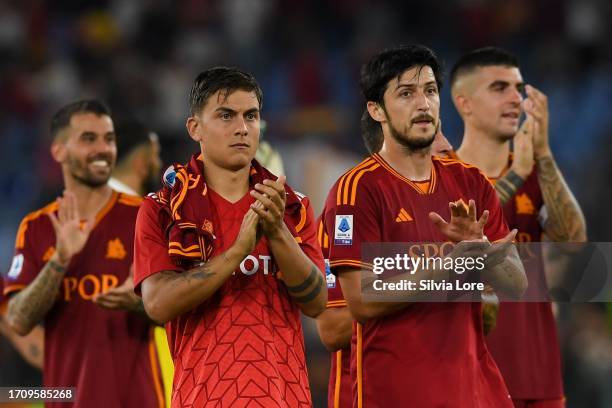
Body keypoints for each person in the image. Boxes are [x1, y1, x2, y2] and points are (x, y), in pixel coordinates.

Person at [321, 44, 527, 407]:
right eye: (406, 93)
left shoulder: (471, 182)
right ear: (376, 110)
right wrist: (451, 265)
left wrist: (482, 253)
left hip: (476, 394)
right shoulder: (355, 191)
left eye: (430, 91)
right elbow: (361, 303)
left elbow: (517, 284)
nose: (423, 103)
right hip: (397, 394)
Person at [133, 67, 327, 407]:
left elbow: (317, 302)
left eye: (250, 116)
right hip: (201, 399)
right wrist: (237, 252)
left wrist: (278, 231)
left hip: (285, 399)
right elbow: (158, 304)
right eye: (226, 115)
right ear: (195, 128)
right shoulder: (162, 209)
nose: (242, 128)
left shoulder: (292, 206)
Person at [3, 100, 165, 408]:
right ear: (58, 151)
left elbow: (180, 313)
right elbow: (18, 320)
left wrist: (141, 304)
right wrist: (59, 260)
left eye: (109, 138)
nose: (103, 149)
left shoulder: (147, 217)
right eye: (88, 139)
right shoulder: (36, 228)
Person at [450, 46, 587, 408]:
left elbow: (574, 241)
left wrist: (542, 156)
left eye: (519, 88)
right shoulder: (440, 173)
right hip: (467, 378)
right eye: (499, 88)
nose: (516, 99)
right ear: (464, 103)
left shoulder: (535, 169)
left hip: (538, 375)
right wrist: (517, 174)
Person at [316, 123, 453, 408]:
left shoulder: (450, 217)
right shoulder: (346, 212)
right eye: (431, 135)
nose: (447, 145)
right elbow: (332, 329)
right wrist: (428, 283)